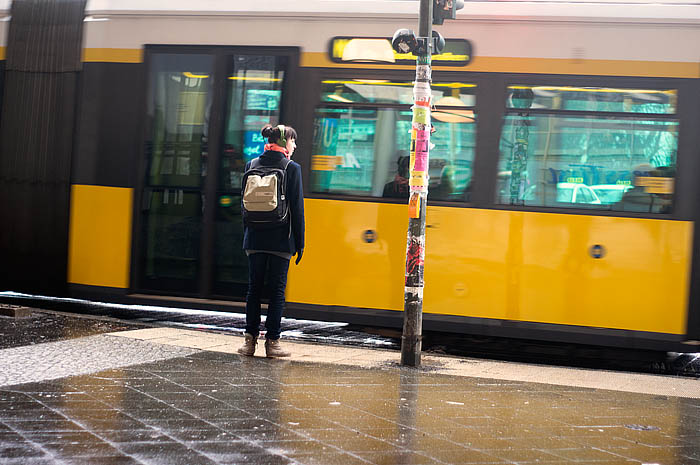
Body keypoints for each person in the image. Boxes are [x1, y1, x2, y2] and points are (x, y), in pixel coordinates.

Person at [238, 124, 305, 358]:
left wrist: (248, 235)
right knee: (276, 292)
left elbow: (244, 204)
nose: (295, 145)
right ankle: (273, 343)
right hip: (281, 240)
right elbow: (297, 209)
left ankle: (249, 342)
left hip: (254, 239)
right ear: (285, 143)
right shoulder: (291, 168)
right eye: (293, 141)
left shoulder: (251, 165)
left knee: (253, 290)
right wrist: (300, 243)